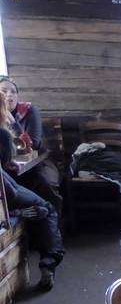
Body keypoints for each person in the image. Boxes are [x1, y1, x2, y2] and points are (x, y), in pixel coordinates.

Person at [0, 128, 64, 291]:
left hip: (7, 183)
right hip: (6, 192)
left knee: (41, 188)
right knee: (47, 209)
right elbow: (10, 193)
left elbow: (31, 141)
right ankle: (48, 264)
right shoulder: (3, 132)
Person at [0, 76, 62, 214]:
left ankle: (53, 215)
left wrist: (13, 123)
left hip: (38, 160)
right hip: (11, 166)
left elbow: (32, 147)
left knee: (43, 182)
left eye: (13, 92)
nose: (9, 95)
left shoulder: (29, 111)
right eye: (4, 91)